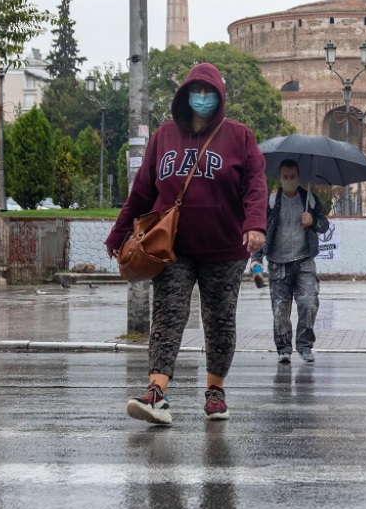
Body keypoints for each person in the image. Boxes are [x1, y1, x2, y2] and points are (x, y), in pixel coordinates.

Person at [105, 63, 267, 426]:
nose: (203, 98)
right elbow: (143, 191)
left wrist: (255, 224)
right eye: (197, 91)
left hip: (225, 248)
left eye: (210, 93)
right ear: (184, 96)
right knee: (168, 316)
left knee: (219, 320)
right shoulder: (163, 135)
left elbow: (256, 184)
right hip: (171, 248)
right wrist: (117, 234)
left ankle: (215, 393)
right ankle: (156, 393)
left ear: (220, 97)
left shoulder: (239, 136)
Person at [250, 159, 330, 364]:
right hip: (278, 263)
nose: (289, 180)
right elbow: (260, 230)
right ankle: (284, 348)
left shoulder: (309, 199)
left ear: (298, 177)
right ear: (280, 178)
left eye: (292, 177)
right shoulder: (271, 202)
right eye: (285, 177)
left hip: (304, 261)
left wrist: (312, 222)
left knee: (309, 302)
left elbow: (324, 225)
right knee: (280, 309)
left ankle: (304, 345)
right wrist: (256, 259)